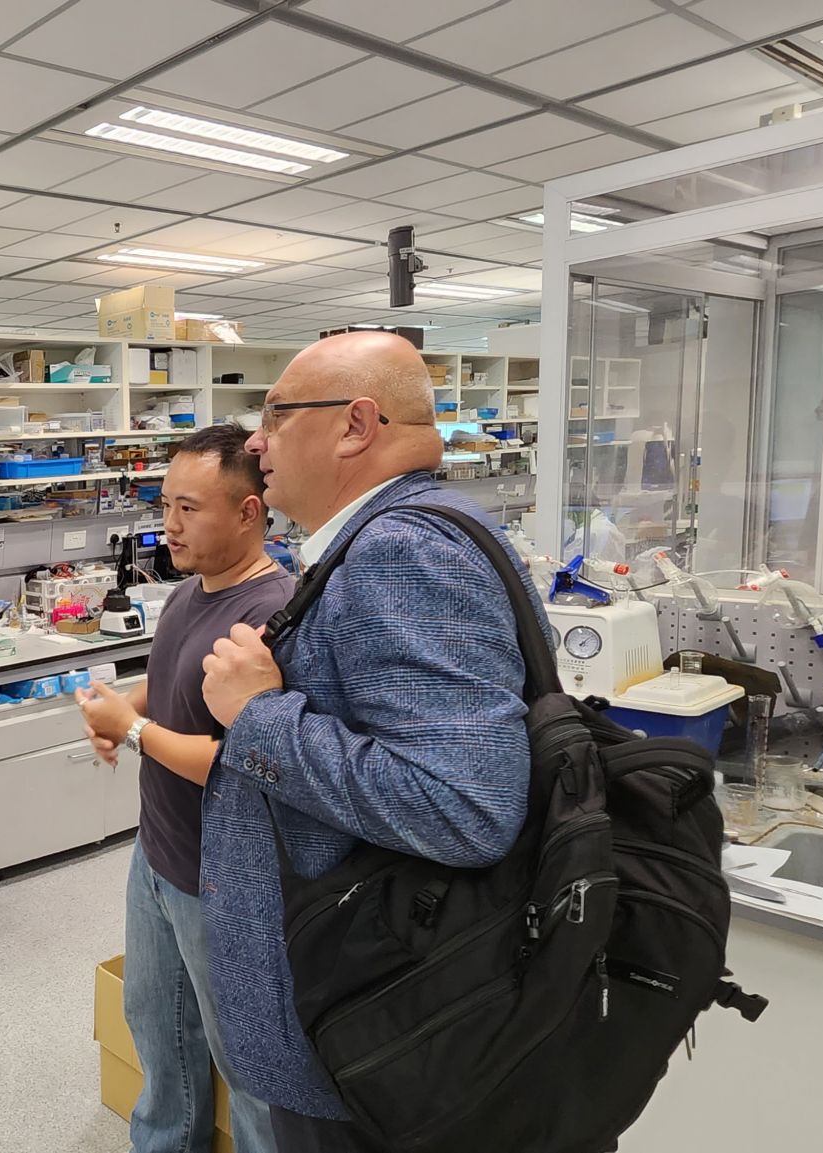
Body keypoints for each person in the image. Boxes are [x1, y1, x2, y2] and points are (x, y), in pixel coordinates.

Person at [195, 332, 542, 1153]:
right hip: (358, 1000)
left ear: (355, 425)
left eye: (276, 414)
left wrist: (256, 715)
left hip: (358, 1027)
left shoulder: (402, 550)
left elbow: (467, 805)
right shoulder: (398, 533)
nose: (254, 439)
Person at [77, 423, 291, 1153]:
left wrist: (133, 733)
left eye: (190, 508)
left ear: (248, 512)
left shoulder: (270, 613)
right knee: (157, 1025)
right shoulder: (188, 593)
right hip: (159, 854)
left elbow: (241, 758)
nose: (169, 524)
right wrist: (127, 710)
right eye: (166, 504)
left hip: (224, 878)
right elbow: (172, 682)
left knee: (248, 1062)